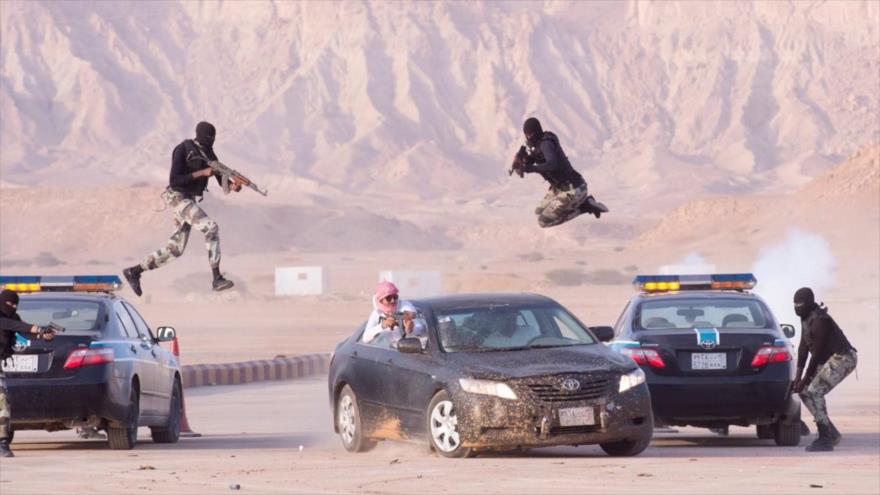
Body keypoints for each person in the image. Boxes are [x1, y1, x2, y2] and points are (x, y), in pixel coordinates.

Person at [123, 122, 240, 296]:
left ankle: (135, 271)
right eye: (209, 137)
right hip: (177, 197)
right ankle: (216, 278)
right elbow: (174, 181)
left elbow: (223, 184)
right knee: (211, 227)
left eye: (213, 137)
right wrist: (201, 173)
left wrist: (233, 186)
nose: (211, 140)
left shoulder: (210, 154)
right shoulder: (184, 149)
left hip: (188, 200)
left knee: (174, 249)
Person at [791, 287, 858, 452]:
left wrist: (806, 378)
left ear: (808, 303)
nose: (797, 307)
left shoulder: (820, 320)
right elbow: (803, 349)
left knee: (814, 391)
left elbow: (816, 354)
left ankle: (825, 438)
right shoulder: (806, 317)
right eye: (795, 304)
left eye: (800, 304)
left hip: (844, 357)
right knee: (804, 391)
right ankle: (831, 431)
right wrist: (798, 379)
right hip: (828, 359)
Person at [510, 117, 608, 228]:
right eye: (526, 135)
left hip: (574, 189)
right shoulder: (538, 145)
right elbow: (532, 160)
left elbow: (552, 164)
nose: (527, 138)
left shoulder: (546, 144)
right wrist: (520, 159)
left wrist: (527, 169)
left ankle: (585, 206)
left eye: (529, 134)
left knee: (543, 221)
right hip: (560, 188)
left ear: (535, 133)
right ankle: (582, 203)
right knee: (539, 212)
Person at [0, 289, 58, 458]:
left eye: (15, 305)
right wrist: (36, 328)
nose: (12, 307)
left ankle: (2, 442)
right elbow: (9, 325)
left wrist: (43, 335)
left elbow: (22, 330)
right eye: (9, 304)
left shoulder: (12, 316)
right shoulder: (5, 318)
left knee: (3, 403)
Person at [362, 282, 427, 346]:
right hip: (394, 351)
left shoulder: (405, 306)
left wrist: (410, 329)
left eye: (395, 297)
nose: (393, 301)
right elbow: (365, 338)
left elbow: (422, 328)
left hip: (419, 349)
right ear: (380, 300)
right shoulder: (376, 314)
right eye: (388, 298)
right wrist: (382, 326)